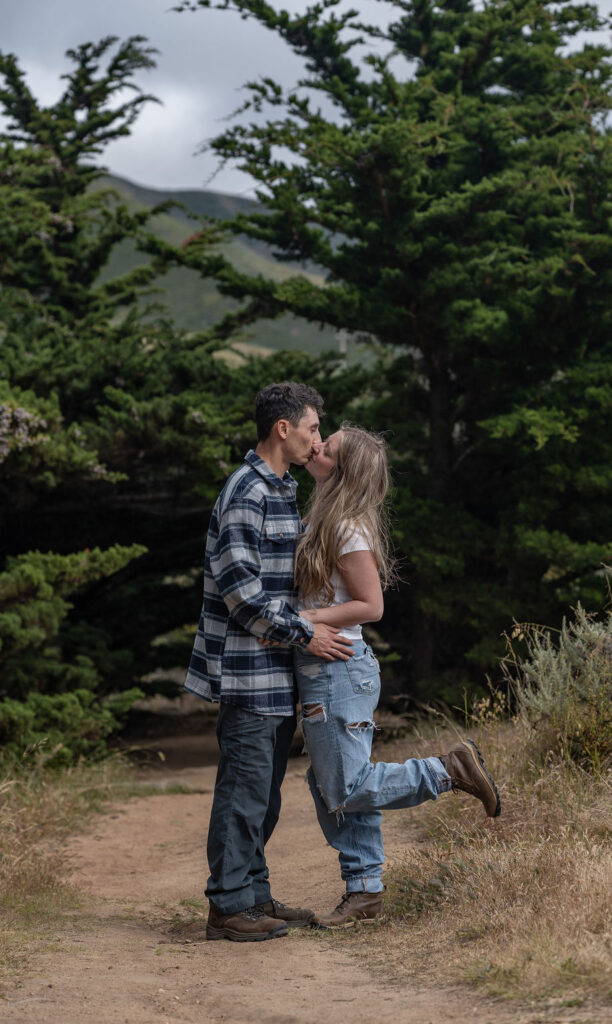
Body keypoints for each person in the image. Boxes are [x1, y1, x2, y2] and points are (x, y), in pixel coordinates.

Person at [292, 425, 501, 928]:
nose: (317, 445)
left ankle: (448, 770)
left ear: (346, 471)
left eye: (330, 446)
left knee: (342, 785)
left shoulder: (346, 527)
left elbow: (372, 605)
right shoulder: (326, 515)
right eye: (322, 437)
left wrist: (303, 621)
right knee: (333, 781)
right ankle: (364, 892)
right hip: (331, 670)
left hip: (336, 669)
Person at [184, 382, 354, 943]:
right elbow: (241, 594)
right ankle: (228, 907)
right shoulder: (246, 492)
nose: (318, 438)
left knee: (266, 791)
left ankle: (253, 893)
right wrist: (306, 633)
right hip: (248, 673)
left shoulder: (280, 489)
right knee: (245, 788)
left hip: (277, 674)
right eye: (312, 428)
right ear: (284, 429)